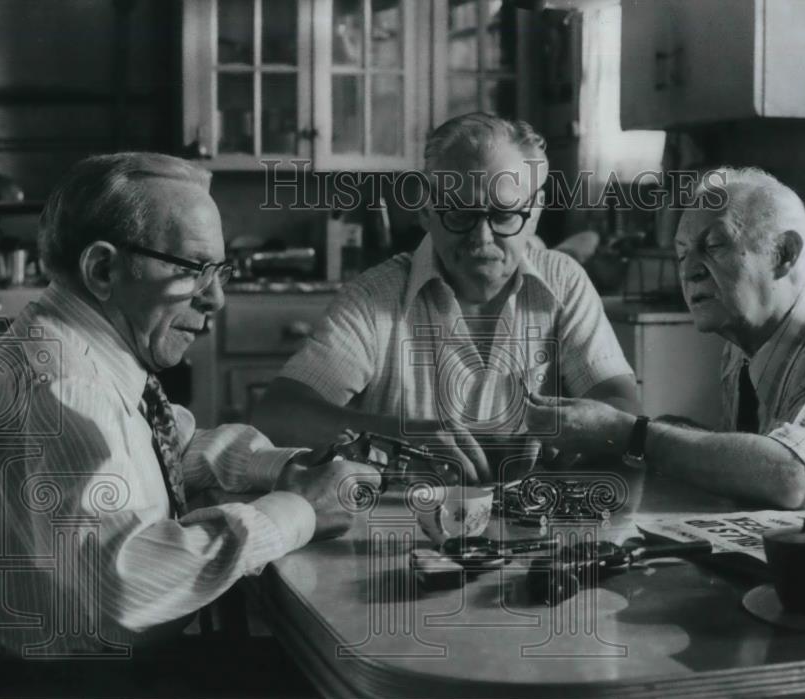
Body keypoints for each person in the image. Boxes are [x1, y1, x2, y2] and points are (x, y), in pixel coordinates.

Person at [0, 153, 379, 677]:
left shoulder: (79, 349)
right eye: (194, 269)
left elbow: (167, 448)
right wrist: (298, 509)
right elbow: (128, 583)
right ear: (103, 268)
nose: (215, 297)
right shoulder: (65, 386)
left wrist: (282, 467)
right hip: (82, 694)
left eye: (218, 271)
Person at [253, 113, 641, 482]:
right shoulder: (373, 297)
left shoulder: (565, 281)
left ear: (535, 210)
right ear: (426, 210)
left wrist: (584, 433)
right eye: (459, 213)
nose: (482, 238)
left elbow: (623, 409)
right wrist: (399, 437)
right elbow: (277, 416)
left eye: (504, 215)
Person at [526, 167, 805, 509]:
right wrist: (662, 430)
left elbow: (789, 477)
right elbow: (751, 468)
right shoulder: (743, 345)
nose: (689, 273)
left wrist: (631, 432)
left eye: (713, 246)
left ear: (784, 253)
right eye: (683, 255)